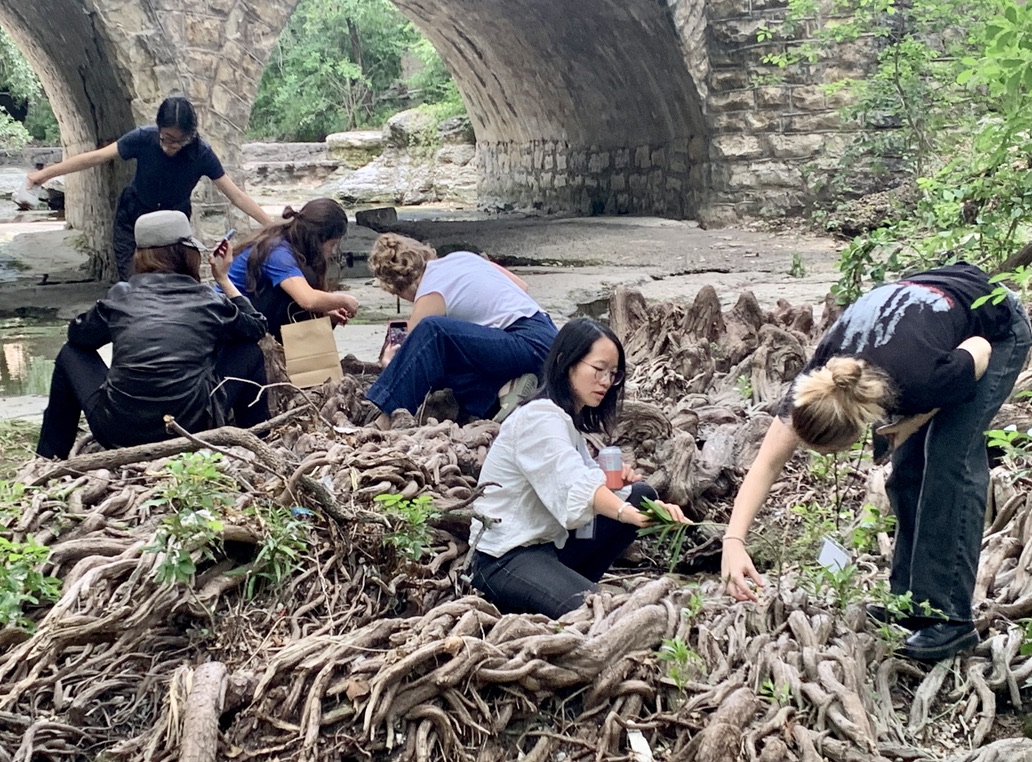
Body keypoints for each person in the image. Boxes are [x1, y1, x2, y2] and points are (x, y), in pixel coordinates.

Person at [721, 263, 1031, 662]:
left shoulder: (923, 380)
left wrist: (917, 420)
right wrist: (734, 541)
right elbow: (765, 465)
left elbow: (981, 350)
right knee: (906, 472)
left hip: (994, 329)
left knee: (949, 459)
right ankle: (910, 604)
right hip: (928, 326)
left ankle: (949, 620)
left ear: (863, 421)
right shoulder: (820, 380)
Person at [468, 318, 691, 618]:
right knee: (602, 615)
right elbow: (573, 487)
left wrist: (632, 498)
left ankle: (565, 589)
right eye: (598, 370)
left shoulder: (565, 420)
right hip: (505, 557)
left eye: (613, 374)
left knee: (638, 494)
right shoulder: (539, 418)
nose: (606, 382)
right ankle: (548, 598)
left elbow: (584, 481)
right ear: (566, 362)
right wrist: (625, 512)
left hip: (549, 545)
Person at [36, 210, 270, 459]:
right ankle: (255, 442)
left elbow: (78, 337)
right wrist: (223, 278)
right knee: (248, 351)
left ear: (140, 256)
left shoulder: (120, 296)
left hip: (116, 432)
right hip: (192, 429)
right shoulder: (208, 300)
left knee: (69, 354)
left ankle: (50, 456)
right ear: (187, 254)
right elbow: (256, 327)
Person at [27, 96, 273, 280]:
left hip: (173, 226)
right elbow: (96, 157)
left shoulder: (201, 154)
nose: (171, 146)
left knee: (176, 283)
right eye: (166, 138)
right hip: (133, 218)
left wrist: (270, 224)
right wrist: (44, 174)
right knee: (134, 281)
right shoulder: (143, 138)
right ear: (158, 129)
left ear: (191, 135)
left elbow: (236, 196)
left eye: (179, 141)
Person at [366, 233, 558, 428]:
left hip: (528, 342)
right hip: (547, 336)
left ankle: (386, 418)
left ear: (398, 289)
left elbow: (414, 357)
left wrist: (388, 361)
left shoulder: (429, 293)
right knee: (451, 357)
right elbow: (521, 286)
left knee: (432, 332)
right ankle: (504, 390)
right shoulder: (464, 257)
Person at [222, 198, 359, 341]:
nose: (331, 252)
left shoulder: (288, 242)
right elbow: (307, 300)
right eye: (332, 245)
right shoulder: (278, 252)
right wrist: (345, 300)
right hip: (229, 319)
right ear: (318, 238)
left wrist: (326, 313)